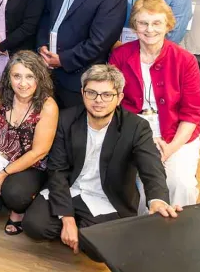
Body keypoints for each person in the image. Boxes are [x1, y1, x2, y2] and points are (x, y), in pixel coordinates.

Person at [24, 64, 179, 256]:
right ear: (82, 93)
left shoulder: (136, 127)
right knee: (34, 226)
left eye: (107, 95)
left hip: (105, 197)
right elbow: (57, 170)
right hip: (70, 189)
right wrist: (67, 219)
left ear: (119, 97)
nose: (98, 100)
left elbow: (151, 167)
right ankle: (76, 229)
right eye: (91, 93)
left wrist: (157, 200)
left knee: (98, 249)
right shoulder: (66, 119)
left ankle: (82, 233)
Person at [109, 0, 200, 208]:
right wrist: (142, 141)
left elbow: (192, 114)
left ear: (168, 26)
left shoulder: (185, 60)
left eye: (156, 23)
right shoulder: (120, 56)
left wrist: (170, 149)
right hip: (133, 131)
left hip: (177, 135)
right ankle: (147, 228)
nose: (149, 29)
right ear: (134, 26)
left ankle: (180, 227)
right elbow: (113, 105)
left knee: (181, 185)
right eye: (143, 23)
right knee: (143, 187)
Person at [0, 51, 59, 234]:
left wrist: (3, 174)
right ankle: (2, 190)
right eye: (17, 76)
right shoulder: (0, 95)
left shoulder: (48, 106)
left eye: (29, 76)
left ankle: (18, 211)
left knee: (15, 195)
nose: (23, 83)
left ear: (39, 77)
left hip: (29, 165)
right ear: (8, 77)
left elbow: (39, 152)